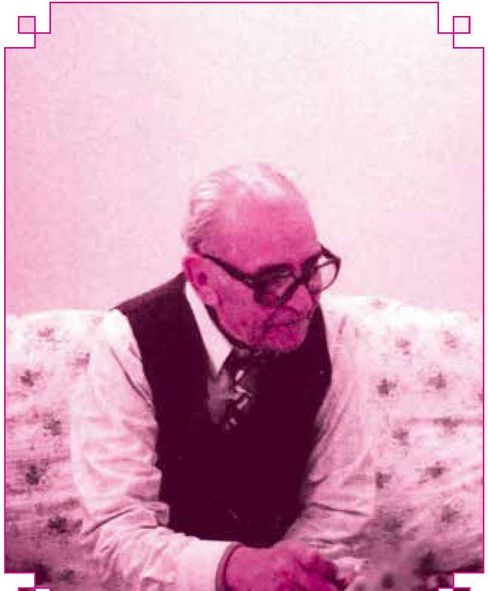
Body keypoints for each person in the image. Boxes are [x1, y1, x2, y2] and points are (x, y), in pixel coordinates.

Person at [70, 163, 374, 591]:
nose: (304, 303)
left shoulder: (336, 336)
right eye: (273, 280)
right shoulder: (128, 341)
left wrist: (290, 575)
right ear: (203, 279)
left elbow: (340, 510)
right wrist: (235, 569)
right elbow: (117, 530)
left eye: (311, 269)